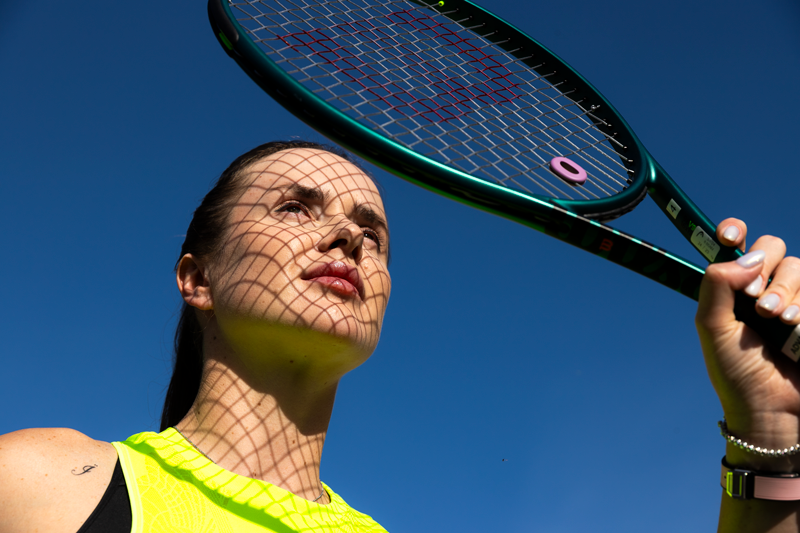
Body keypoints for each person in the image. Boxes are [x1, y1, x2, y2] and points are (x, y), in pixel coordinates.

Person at [0, 140, 798, 533]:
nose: (348, 238)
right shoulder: (47, 484)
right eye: (296, 208)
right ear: (196, 277)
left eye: (373, 232)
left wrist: (772, 431)